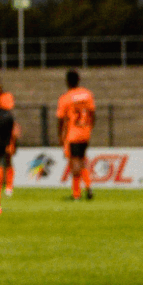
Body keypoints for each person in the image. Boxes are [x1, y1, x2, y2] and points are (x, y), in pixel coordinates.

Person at [56, 69, 97, 201]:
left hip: (73, 133)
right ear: (79, 80)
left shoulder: (65, 98)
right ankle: (88, 187)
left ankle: (76, 194)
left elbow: (60, 119)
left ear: (67, 81)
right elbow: (92, 113)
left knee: (74, 163)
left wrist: (60, 136)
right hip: (85, 132)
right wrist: (90, 127)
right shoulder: (87, 94)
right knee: (81, 160)